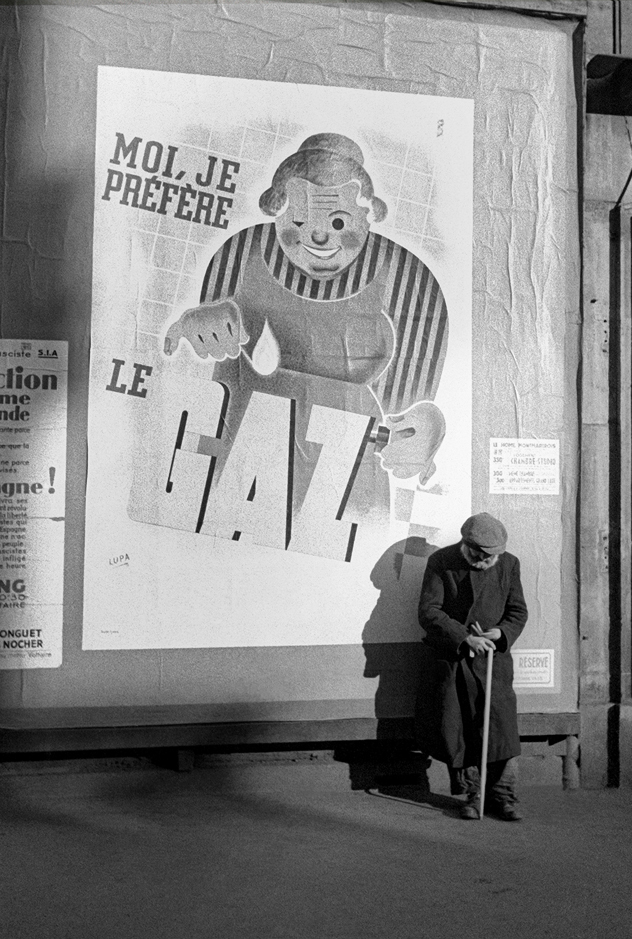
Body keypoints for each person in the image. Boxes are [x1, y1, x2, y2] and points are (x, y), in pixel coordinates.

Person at [163, 133, 448, 539]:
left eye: (338, 222)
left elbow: (415, 405)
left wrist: (425, 428)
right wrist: (199, 326)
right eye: (299, 221)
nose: (319, 238)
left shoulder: (413, 282)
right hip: (242, 464)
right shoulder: (239, 253)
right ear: (277, 211)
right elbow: (199, 383)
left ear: (368, 215)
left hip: (347, 484)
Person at [417, 512, 528, 820]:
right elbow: (428, 611)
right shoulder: (442, 561)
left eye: (491, 556)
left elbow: (518, 611)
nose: (484, 561)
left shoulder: (510, 564)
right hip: (456, 661)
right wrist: (465, 637)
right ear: (466, 544)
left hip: (494, 661)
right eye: (479, 554)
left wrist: (501, 632)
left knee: (501, 729)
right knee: (462, 729)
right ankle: (473, 795)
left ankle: (503, 796)